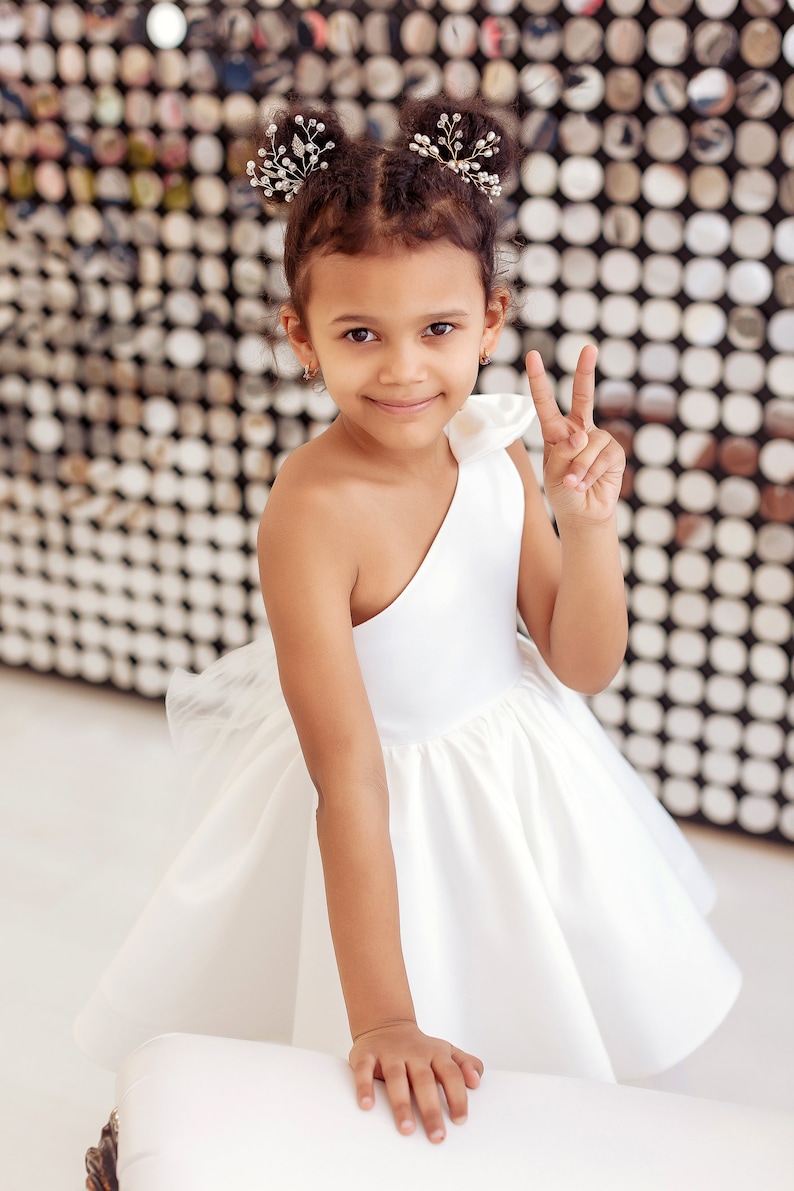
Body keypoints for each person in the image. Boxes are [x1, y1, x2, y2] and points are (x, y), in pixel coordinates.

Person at [75, 98, 741, 1145]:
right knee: (390, 1078)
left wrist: (585, 523)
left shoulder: (495, 448)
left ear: (490, 318)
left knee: (549, 1023)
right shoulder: (311, 511)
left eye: (437, 330)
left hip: (519, 777)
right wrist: (383, 1012)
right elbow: (348, 776)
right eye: (358, 334)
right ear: (299, 338)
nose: (401, 370)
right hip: (377, 803)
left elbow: (578, 665)